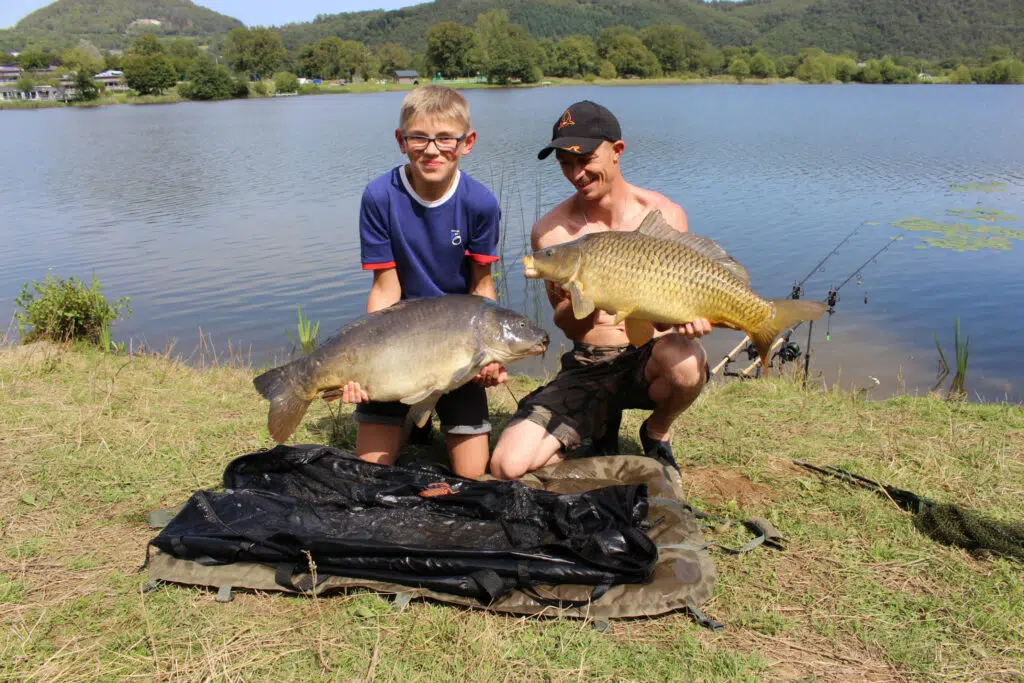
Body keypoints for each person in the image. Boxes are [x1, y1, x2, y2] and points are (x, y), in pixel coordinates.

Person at [489, 100, 711, 480]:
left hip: (649, 353)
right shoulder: (554, 234)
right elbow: (570, 328)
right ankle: (597, 422)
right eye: (565, 164)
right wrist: (586, 298)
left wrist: (689, 320)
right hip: (590, 361)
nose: (576, 173)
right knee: (506, 465)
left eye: (585, 159)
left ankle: (657, 430)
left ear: (616, 152)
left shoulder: (664, 215)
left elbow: (666, 323)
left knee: (686, 359)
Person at [328, 85, 506, 479]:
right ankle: (409, 419)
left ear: (467, 142)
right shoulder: (379, 196)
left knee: (472, 474)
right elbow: (385, 287)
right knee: (370, 470)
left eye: (446, 138)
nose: (432, 150)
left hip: (457, 341)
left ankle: (422, 418)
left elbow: (481, 287)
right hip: (399, 341)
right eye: (418, 138)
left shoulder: (480, 203)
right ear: (400, 140)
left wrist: (489, 354)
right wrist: (363, 362)